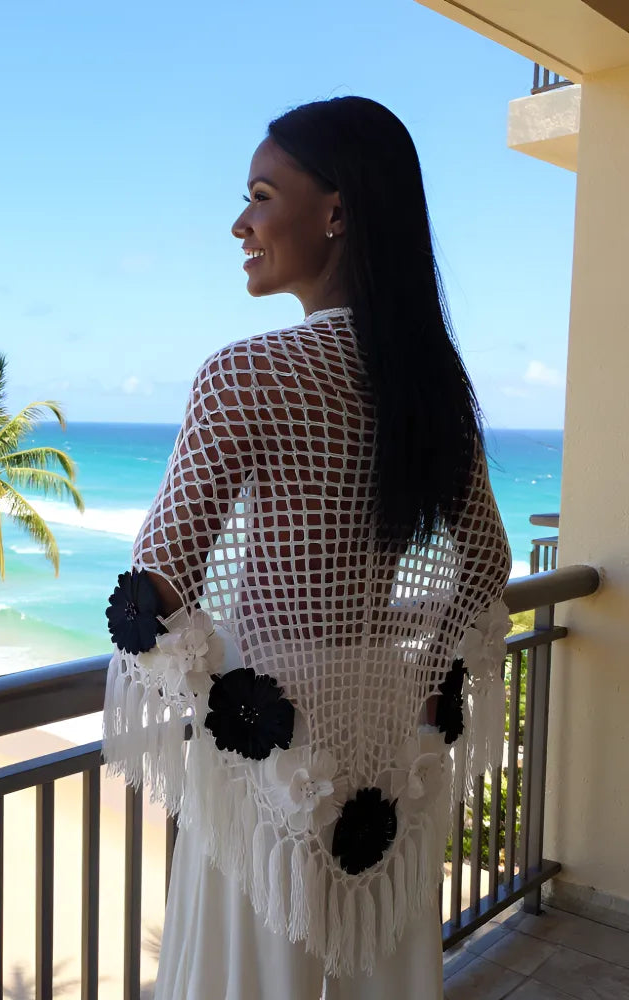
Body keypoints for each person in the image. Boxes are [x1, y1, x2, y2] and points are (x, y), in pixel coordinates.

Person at [102, 96, 512, 1000]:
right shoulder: (431, 381)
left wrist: (237, 697)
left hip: (273, 774)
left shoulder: (246, 374)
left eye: (259, 195)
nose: (239, 222)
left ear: (335, 212)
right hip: (385, 761)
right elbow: (487, 564)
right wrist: (413, 685)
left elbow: (156, 584)